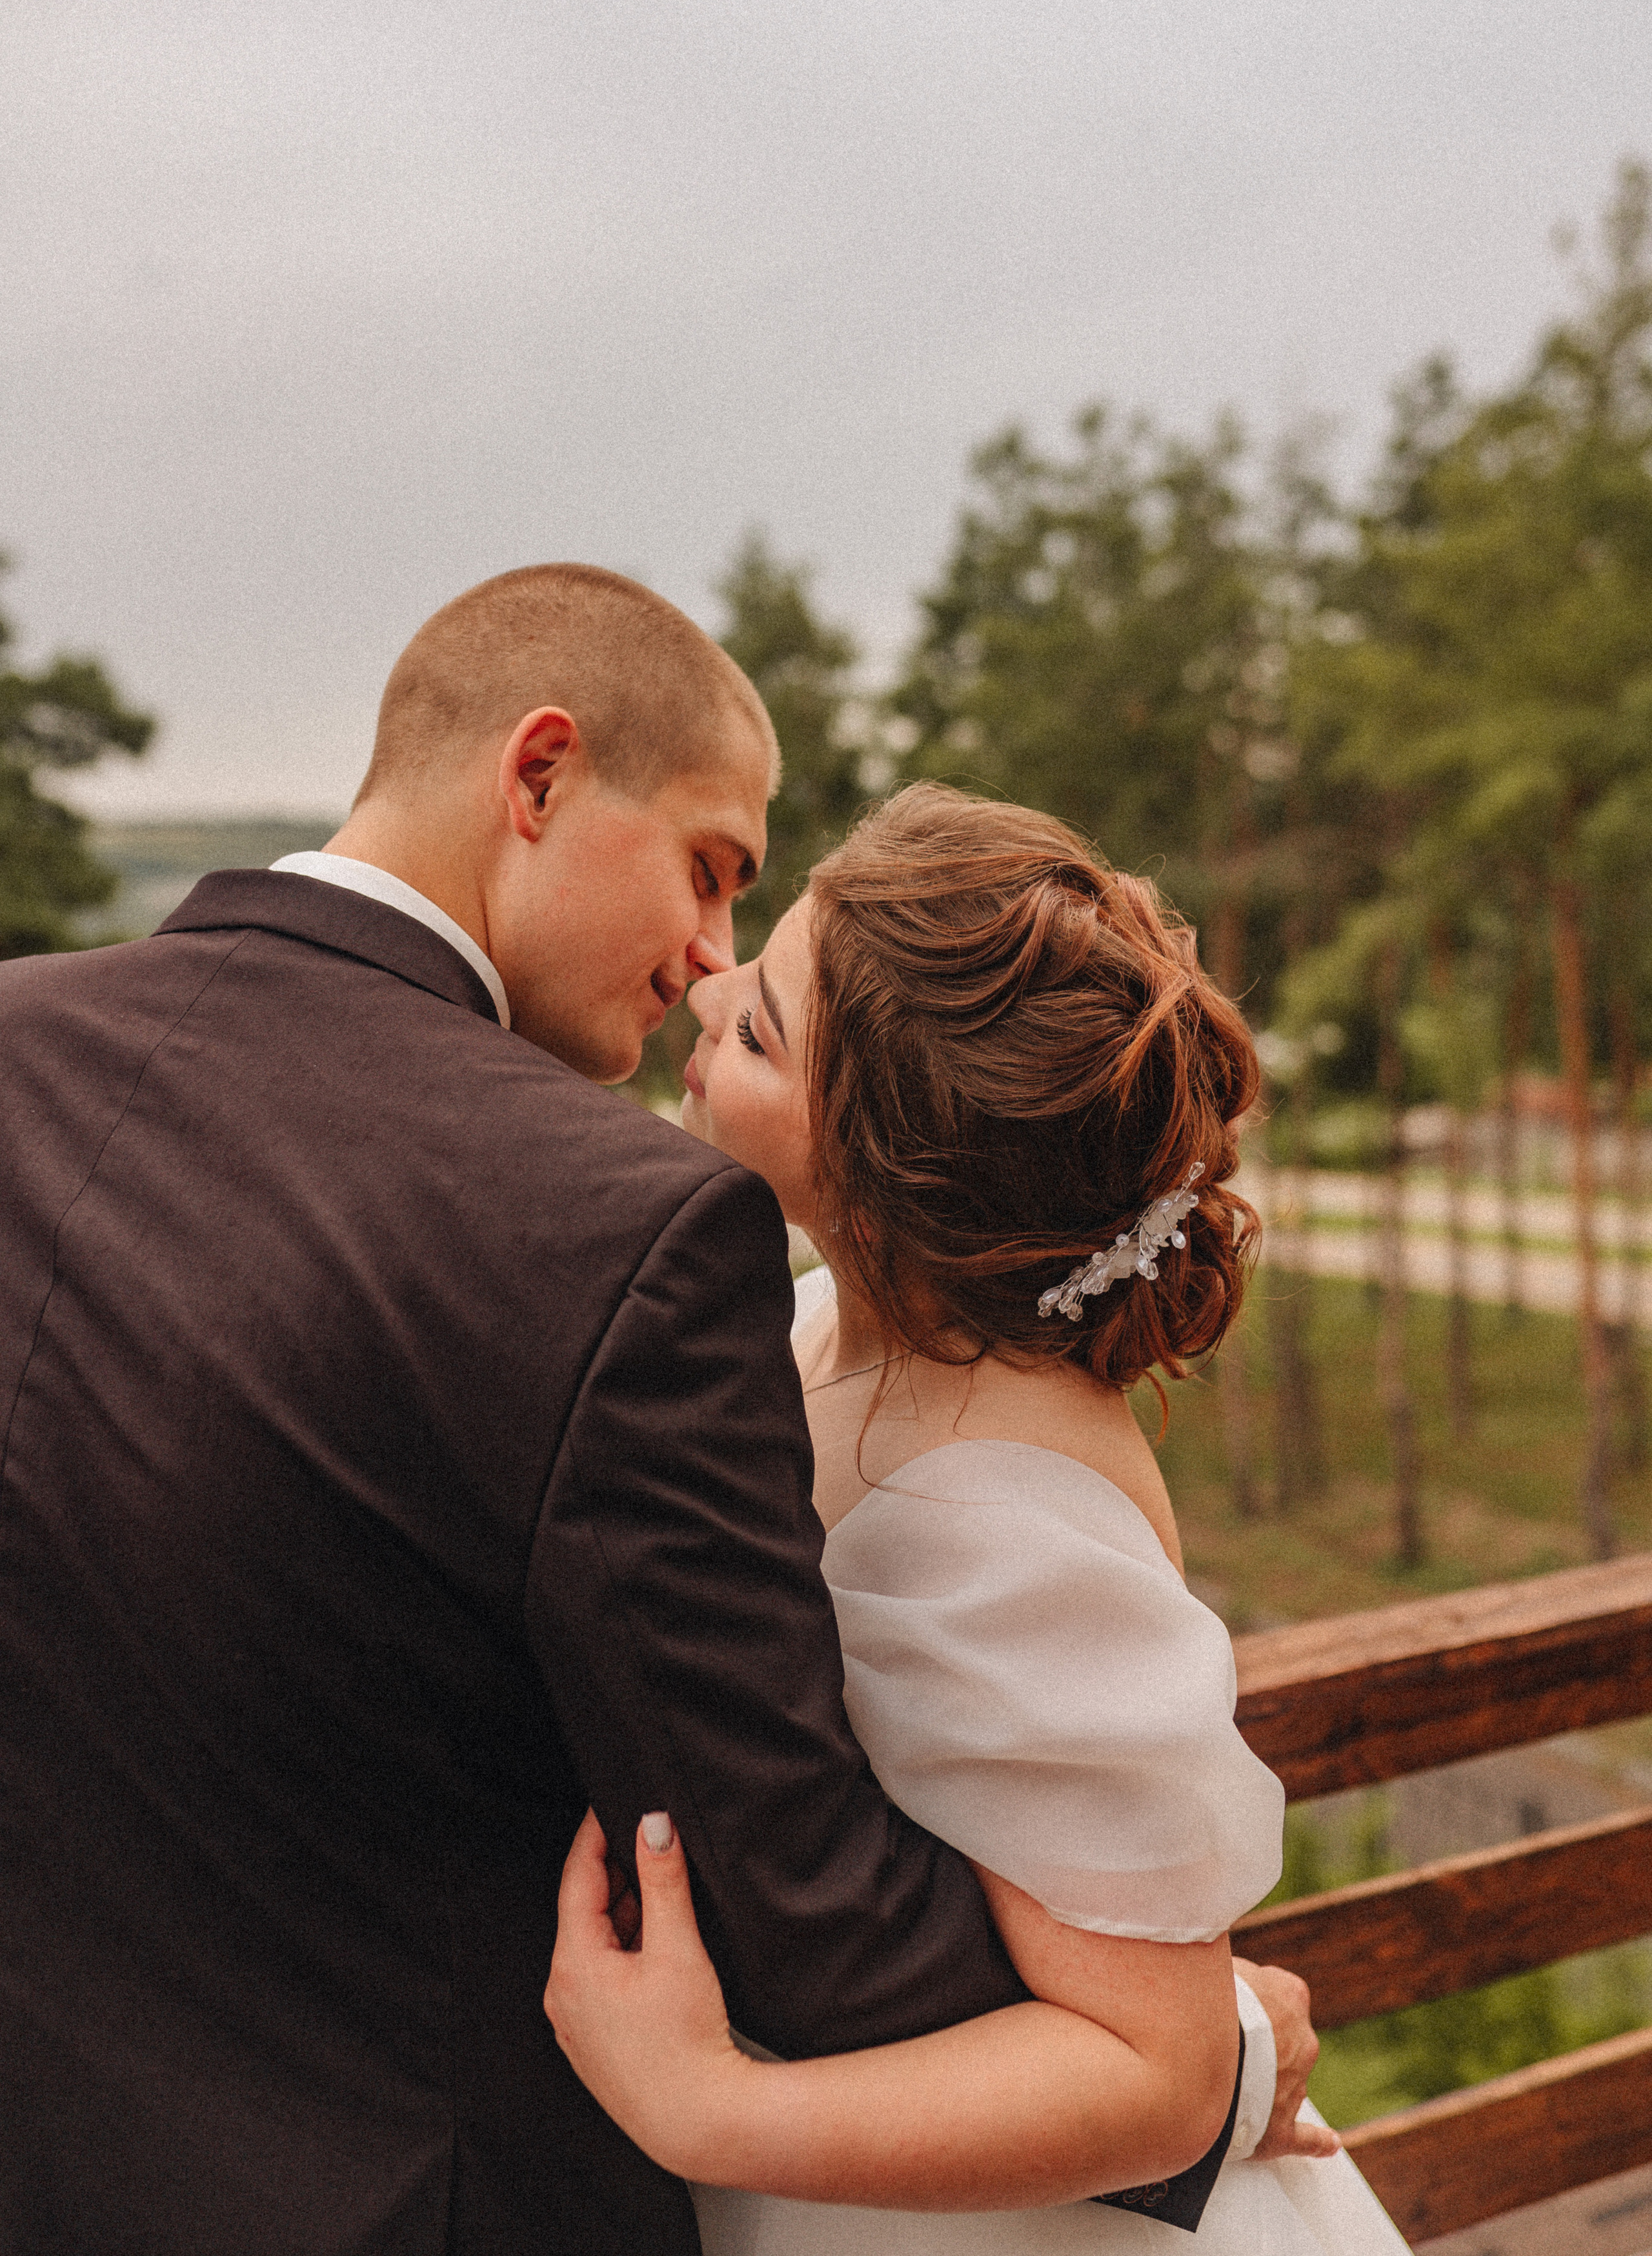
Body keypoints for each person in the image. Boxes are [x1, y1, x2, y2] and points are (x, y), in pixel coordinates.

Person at [0, 569, 1308, 2256]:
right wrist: (1205, 2058)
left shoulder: (17, 1038)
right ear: (536, 778)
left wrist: (1150, 2038)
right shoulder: (606, 1224)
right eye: (711, 869)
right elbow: (795, 1893)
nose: (706, 959)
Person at [547, 784, 1412, 2253]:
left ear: (884, 1190)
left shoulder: (1000, 1510)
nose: (710, 986)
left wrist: (700, 2106)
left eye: (762, 1030)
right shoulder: (824, 1323)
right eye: (760, 963)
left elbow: (1159, 2069)